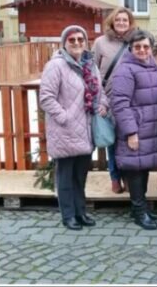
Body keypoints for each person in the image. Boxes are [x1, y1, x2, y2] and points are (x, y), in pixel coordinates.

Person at [38, 25, 101, 230]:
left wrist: (103, 106)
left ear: (85, 42)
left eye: (80, 39)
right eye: (72, 40)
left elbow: (99, 90)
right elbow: (46, 98)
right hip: (64, 130)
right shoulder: (55, 66)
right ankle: (68, 215)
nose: (76, 43)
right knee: (65, 177)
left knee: (80, 176)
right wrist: (63, 117)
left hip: (85, 130)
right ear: (64, 42)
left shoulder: (89, 65)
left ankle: (81, 212)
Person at [111, 30, 157, 230]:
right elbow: (119, 103)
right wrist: (130, 132)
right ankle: (138, 210)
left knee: (143, 169)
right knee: (135, 170)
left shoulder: (154, 67)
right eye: (138, 47)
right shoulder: (125, 70)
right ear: (131, 49)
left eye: (146, 47)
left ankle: (141, 206)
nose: (142, 50)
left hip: (151, 128)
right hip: (136, 129)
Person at [91, 6, 134, 194]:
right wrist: (98, 99)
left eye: (125, 20)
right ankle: (115, 176)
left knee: (128, 139)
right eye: (118, 20)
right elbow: (92, 72)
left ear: (130, 23)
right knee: (112, 140)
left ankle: (128, 176)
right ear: (112, 22)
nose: (122, 23)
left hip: (129, 99)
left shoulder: (135, 42)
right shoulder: (100, 42)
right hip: (107, 99)